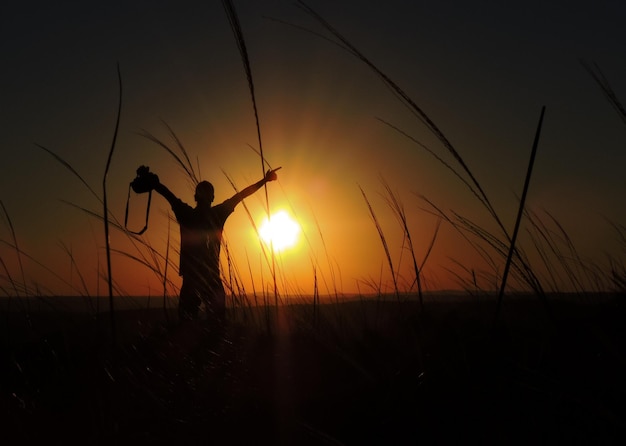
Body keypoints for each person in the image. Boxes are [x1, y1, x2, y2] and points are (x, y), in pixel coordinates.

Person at [143, 167, 280, 323]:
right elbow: (241, 195)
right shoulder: (218, 213)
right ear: (213, 197)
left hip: (191, 277)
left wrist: (153, 183)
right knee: (216, 323)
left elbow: (167, 194)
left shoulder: (186, 213)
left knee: (187, 323)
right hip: (211, 276)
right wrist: (265, 180)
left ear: (195, 196)